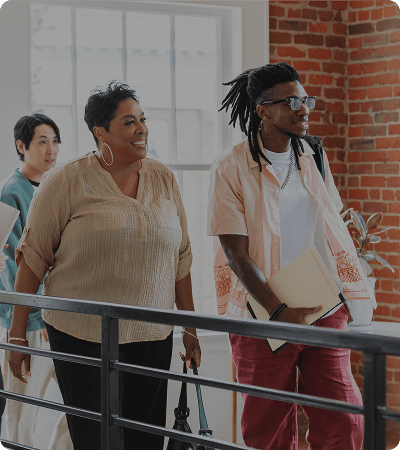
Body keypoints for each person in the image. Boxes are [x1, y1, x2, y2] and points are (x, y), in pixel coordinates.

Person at [8, 81, 201, 450]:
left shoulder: (164, 179)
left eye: (142, 120)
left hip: (153, 337)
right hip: (82, 337)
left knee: (146, 442)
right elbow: (31, 260)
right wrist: (18, 336)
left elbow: (181, 257)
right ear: (101, 132)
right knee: (95, 442)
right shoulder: (64, 182)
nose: (142, 128)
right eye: (129, 122)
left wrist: (190, 329)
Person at [207, 62, 375, 450]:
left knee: (344, 419)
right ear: (263, 111)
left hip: (321, 302)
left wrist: (347, 295)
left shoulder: (313, 154)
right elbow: (236, 254)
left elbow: (332, 223)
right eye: (292, 102)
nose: (304, 109)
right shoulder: (230, 167)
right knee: (269, 430)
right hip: (261, 310)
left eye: (306, 100)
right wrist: (279, 313)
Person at [0, 113, 72, 449]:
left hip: (57, 317)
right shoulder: (13, 193)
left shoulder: (51, 187)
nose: (51, 149)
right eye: (42, 141)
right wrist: (33, 319)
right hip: (29, 321)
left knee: (83, 405)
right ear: (21, 146)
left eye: (55, 141)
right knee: (22, 411)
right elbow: (17, 267)